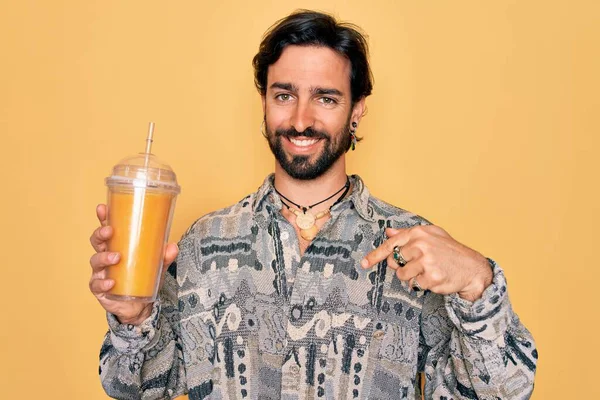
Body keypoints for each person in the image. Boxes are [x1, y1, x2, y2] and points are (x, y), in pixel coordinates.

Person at [89, 10, 537, 400]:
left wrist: (479, 283)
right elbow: (134, 388)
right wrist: (134, 318)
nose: (301, 120)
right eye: (284, 95)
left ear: (357, 110)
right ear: (264, 101)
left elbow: (499, 391)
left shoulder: (414, 249)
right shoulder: (203, 245)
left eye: (325, 98)